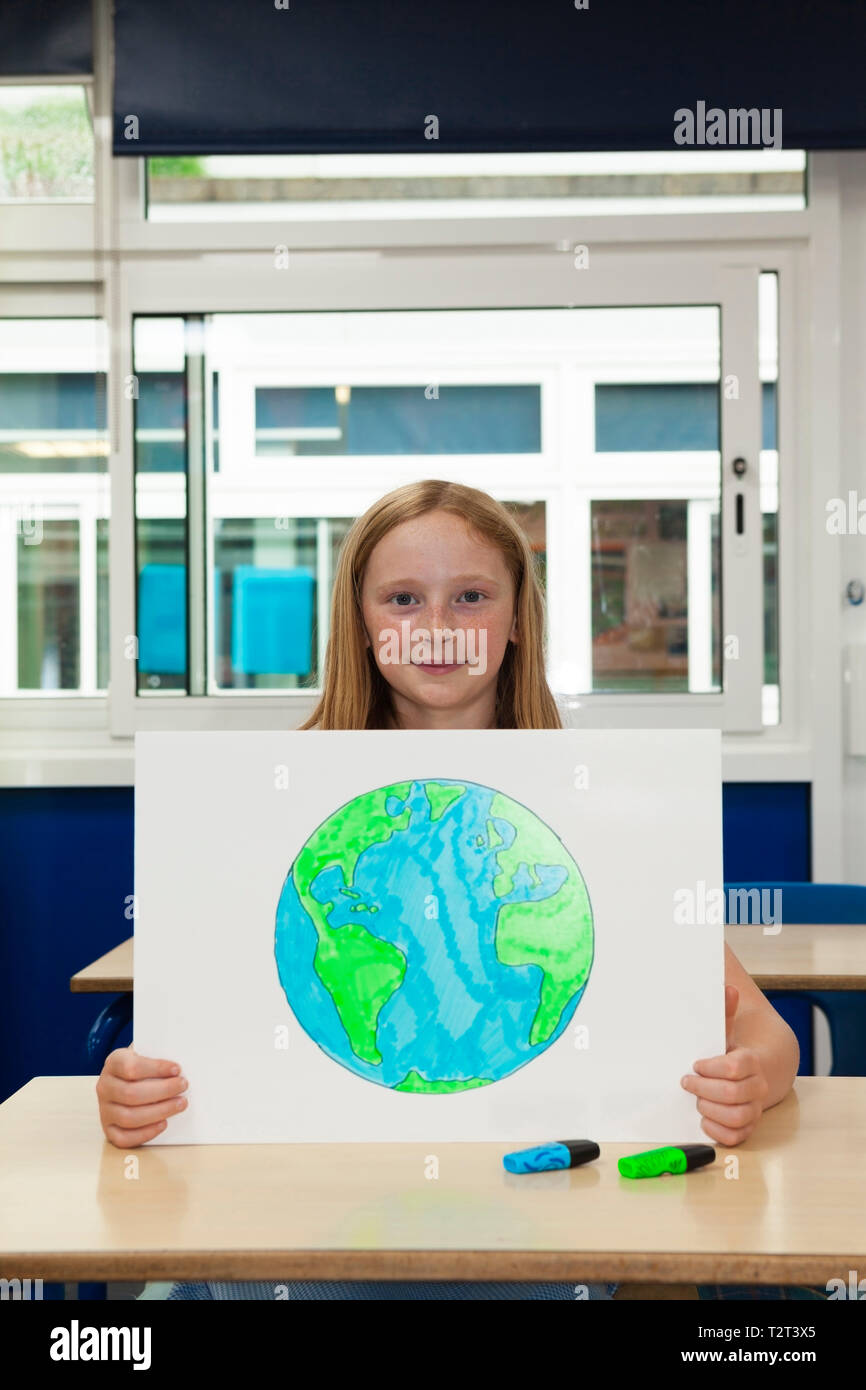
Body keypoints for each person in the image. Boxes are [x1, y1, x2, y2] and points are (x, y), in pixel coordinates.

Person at [98, 479, 802, 1301]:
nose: (436, 629)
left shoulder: (594, 807)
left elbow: (760, 1024)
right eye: (402, 599)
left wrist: (752, 1073)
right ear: (360, 625)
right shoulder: (270, 802)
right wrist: (132, 1094)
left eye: (470, 597)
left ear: (515, 623)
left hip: (532, 1223)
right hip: (298, 1220)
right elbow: (198, 1037)